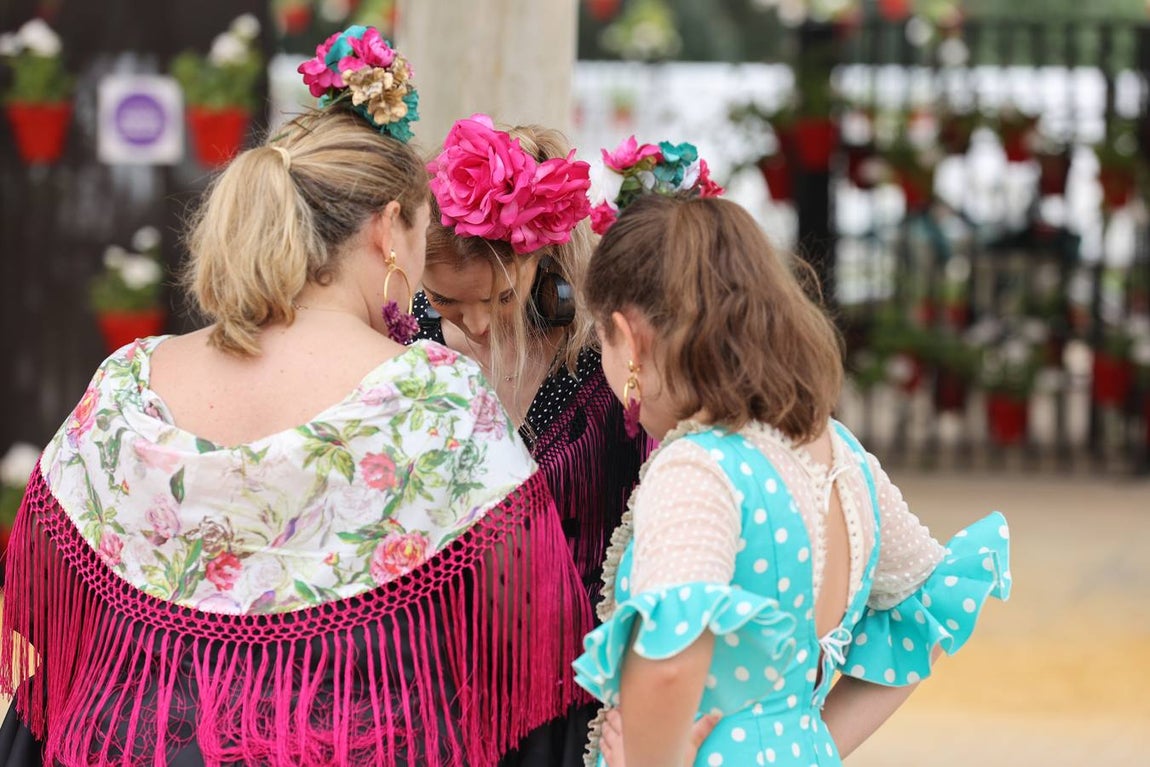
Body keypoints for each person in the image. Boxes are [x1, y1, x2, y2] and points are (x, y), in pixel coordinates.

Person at [0, 27, 592, 767]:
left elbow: (44, 602)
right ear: (389, 230)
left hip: (131, 743)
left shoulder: (128, 381)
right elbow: (528, 625)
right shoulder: (433, 396)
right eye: (421, 230)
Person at [572, 194, 1012, 767]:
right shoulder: (840, 454)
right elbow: (925, 619)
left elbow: (671, 663)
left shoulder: (697, 469)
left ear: (630, 338)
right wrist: (810, 742)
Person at [416, 118, 656, 767]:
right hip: (438, 688)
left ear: (539, 258)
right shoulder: (403, 347)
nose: (473, 323)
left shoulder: (603, 361)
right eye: (445, 300)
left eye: (498, 297)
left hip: (576, 693)